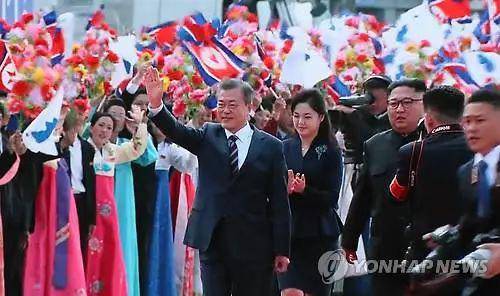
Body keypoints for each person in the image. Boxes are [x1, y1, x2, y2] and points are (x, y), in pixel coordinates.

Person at [144, 66, 291, 296]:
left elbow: (280, 202)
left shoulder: (271, 146)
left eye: (232, 105)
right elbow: (176, 131)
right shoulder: (208, 135)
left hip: (254, 243)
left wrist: (282, 249)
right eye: (221, 104)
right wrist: (156, 105)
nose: (225, 110)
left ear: (250, 107)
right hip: (212, 238)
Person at [341, 79, 426, 296]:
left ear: (424, 104)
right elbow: (363, 197)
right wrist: (349, 240)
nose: (399, 109)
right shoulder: (374, 145)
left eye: (407, 102)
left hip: (426, 248)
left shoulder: (435, 143)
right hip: (385, 249)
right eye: (393, 103)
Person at [389, 86, 473, 262]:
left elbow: (396, 194)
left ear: (428, 119)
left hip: (425, 245)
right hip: (470, 244)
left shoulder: (412, 150)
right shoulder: (478, 148)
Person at [278, 89, 343, 296]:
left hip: (320, 234)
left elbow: (332, 198)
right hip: (290, 233)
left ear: (321, 117)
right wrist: (284, 189)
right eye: (296, 116)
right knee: (289, 291)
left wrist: (305, 191)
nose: (300, 122)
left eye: (307, 117)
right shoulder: (284, 147)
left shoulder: (331, 151)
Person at [85, 107, 148, 296]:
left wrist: (140, 126)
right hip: (86, 209)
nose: (104, 130)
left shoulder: (112, 150)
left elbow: (136, 149)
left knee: (107, 255)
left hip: (107, 213)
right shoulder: (82, 148)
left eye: (109, 128)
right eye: (100, 125)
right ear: (91, 127)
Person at [456, 89, 500, 294]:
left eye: (480, 121)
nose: (472, 128)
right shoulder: (466, 171)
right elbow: (470, 221)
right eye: (467, 122)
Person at [60, 113, 96, 262]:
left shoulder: (87, 148)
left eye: (79, 125)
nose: (76, 130)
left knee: (80, 248)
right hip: (62, 202)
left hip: (81, 201)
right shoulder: (55, 147)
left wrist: (92, 218)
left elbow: (91, 183)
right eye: (73, 127)